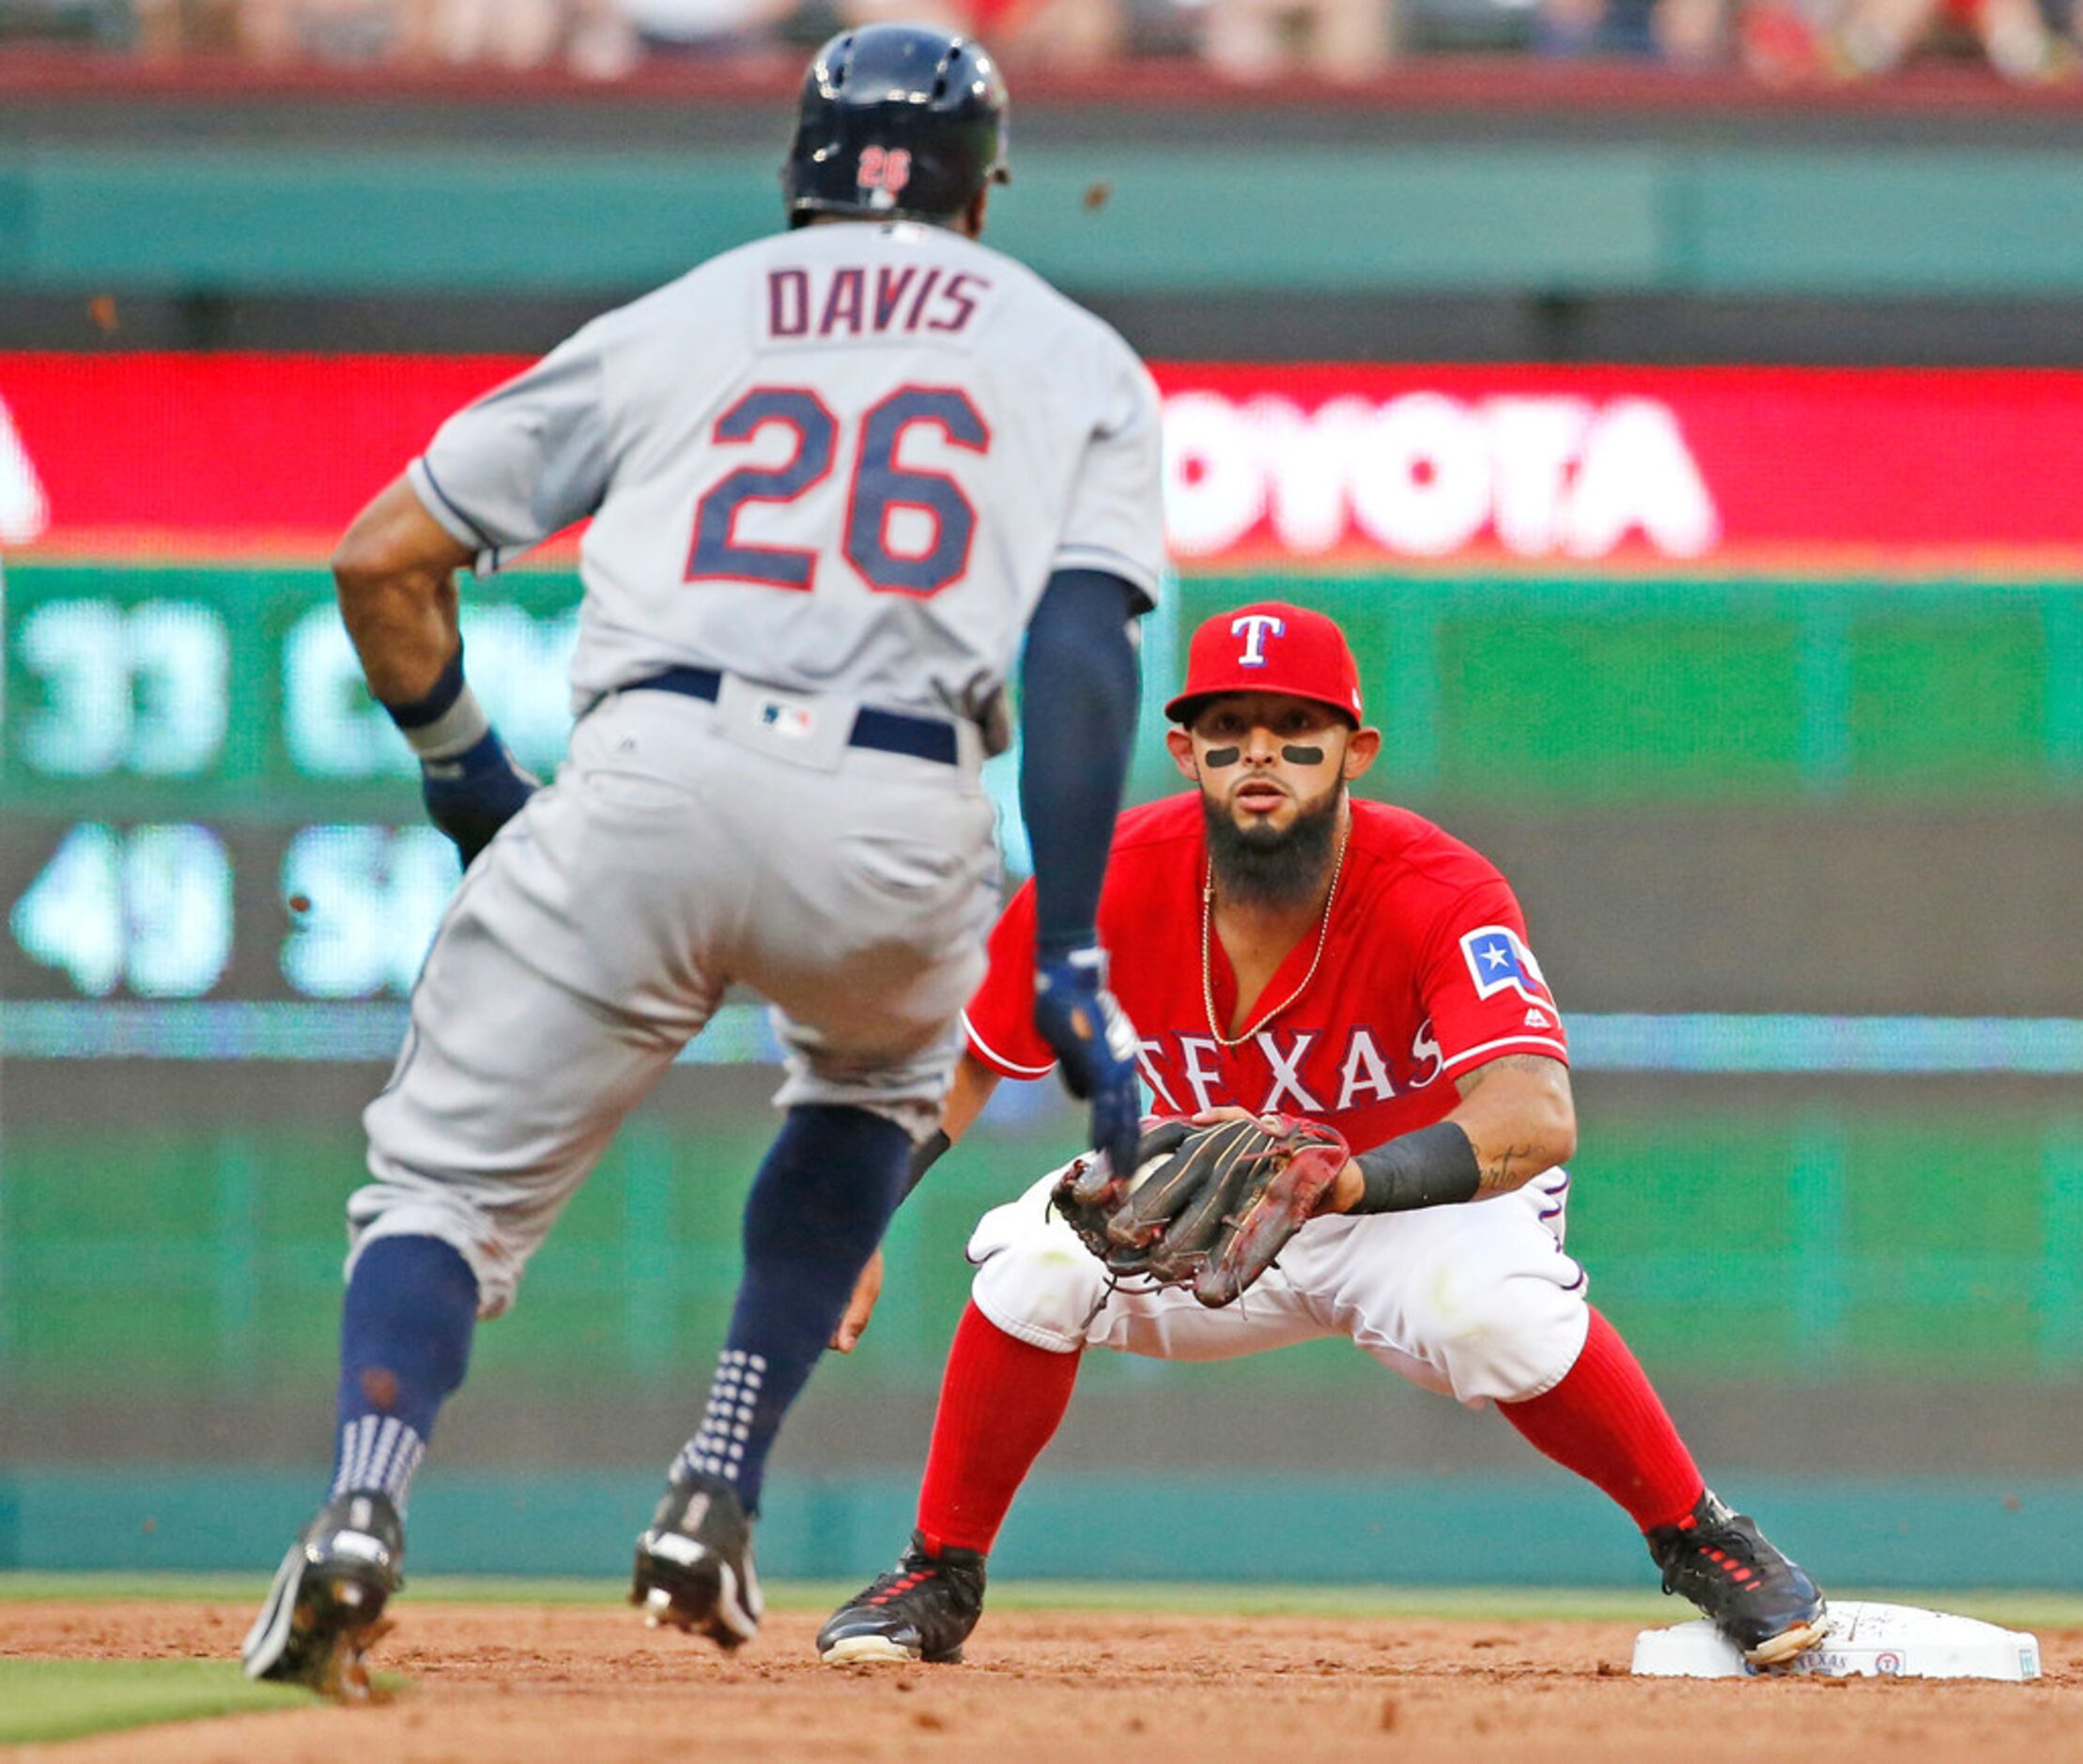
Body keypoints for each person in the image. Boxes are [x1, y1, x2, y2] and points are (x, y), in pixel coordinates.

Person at [240, 22, 1160, 1696]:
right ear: (980, 189)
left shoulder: (686, 314)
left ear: (801, 165)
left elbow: (383, 558)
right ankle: (720, 1479)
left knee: (440, 1188)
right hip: (900, 801)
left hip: (649, 765)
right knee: (874, 1088)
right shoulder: (1073, 351)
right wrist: (1074, 949)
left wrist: (471, 785)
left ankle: (361, 1512)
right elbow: (1082, 652)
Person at [817, 600, 1828, 1671]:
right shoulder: (1104, 882)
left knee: (1495, 1317)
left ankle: (1701, 1537)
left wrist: (1351, 1183)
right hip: (1204, 1209)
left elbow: (1534, 1114)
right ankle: (939, 1570)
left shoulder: (1439, 890)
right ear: (1185, 751)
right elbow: (959, 1061)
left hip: (1415, 1201)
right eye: (1228, 731)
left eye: (1296, 730)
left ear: (1355, 750)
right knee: (1031, 1264)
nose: (1260, 755)